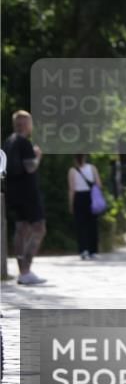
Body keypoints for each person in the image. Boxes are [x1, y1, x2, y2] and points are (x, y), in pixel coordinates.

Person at [4, 111, 47, 285]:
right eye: (30, 123)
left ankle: (22, 270)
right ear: (25, 125)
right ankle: (26, 270)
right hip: (28, 193)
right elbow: (30, 168)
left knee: (21, 229)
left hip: (13, 193)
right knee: (39, 228)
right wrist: (37, 156)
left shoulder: (8, 142)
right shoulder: (24, 143)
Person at [68, 154, 102, 259]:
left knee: (80, 225)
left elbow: (71, 189)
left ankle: (83, 250)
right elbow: (99, 184)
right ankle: (93, 251)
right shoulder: (92, 168)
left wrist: (71, 204)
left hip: (78, 197)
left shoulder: (72, 171)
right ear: (85, 157)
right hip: (90, 197)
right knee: (92, 224)